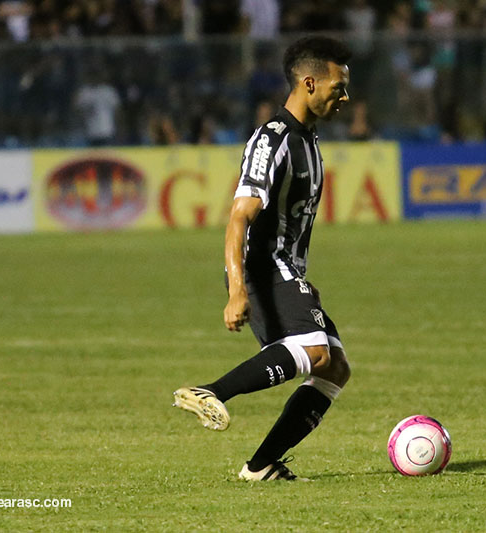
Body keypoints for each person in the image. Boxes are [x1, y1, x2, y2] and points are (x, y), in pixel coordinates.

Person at [173, 36, 352, 481]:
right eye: (338, 88)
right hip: (263, 268)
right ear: (309, 83)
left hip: (287, 271)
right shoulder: (272, 140)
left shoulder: (308, 139)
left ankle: (261, 466)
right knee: (314, 350)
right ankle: (206, 392)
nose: (345, 98)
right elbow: (238, 220)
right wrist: (237, 290)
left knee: (335, 367)